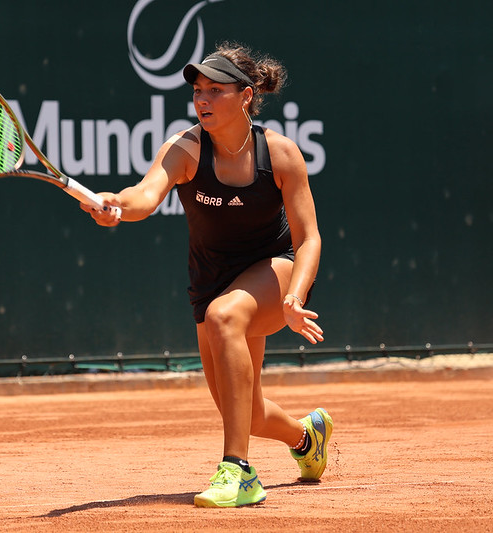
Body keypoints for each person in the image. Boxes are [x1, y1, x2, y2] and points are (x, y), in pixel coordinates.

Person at [81, 42, 333, 508]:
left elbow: (309, 238)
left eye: (216, 90)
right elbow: (144, 195)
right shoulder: (184, 149)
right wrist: (116, 205)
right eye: (198, 90)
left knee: (224, 317)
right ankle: (306, 437)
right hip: (212, 278)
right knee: (247, 412)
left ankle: (237, 472)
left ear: (246, 96)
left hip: (274, 272)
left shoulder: (279, 154)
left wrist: (295, 297)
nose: (202, 99)